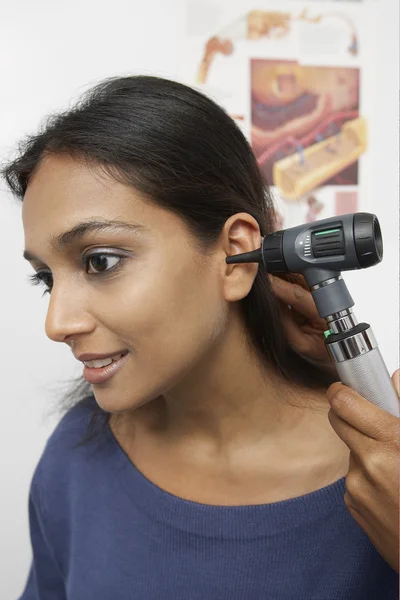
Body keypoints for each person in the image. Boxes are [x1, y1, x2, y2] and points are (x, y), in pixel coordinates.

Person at [2, 76, 397, 599]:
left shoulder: (384, 481)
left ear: (235, 256)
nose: (57, 324)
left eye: (100, 261)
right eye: (47, 278)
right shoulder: (75, 459)